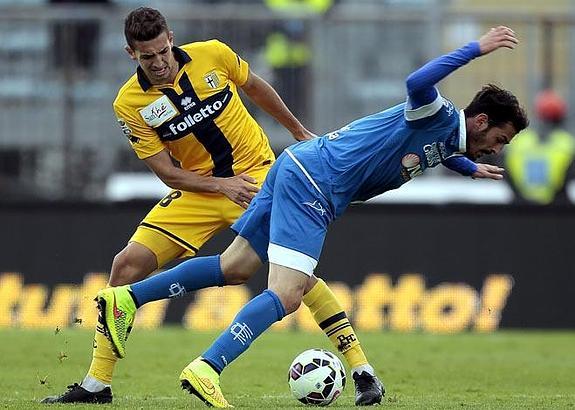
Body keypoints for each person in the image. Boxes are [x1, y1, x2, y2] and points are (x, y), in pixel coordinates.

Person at [94, 25, 528, 408]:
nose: (498, 147)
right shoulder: (436, 112)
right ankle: (208, 368)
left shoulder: (449, 137)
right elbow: (416, 81)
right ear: (482, 119)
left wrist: (470, 166)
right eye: (499, 138)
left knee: (235, 266)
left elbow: (436, 151)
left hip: (294, 166)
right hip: (317, 184)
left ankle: (126, 299)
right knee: (288, 294)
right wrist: (476, 48)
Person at [41, 7, 383, 406]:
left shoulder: (213, 54)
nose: (159, 63)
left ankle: (361, 370)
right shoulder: (130, 103)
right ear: (130, 54)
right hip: (200, 189)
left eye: (162, 51)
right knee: (125, 267)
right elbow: (168, 174)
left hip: (258, 179)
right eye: (147, 57)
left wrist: (296, 130)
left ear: (170, 38)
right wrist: (221, 184)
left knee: (298, 279)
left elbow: (255, 87)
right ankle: (97, 384)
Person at [505, 89, 575, 204]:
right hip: (557, 207)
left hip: (519, 205)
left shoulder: (518, 142)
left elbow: (504, 171)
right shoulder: (567, 144)